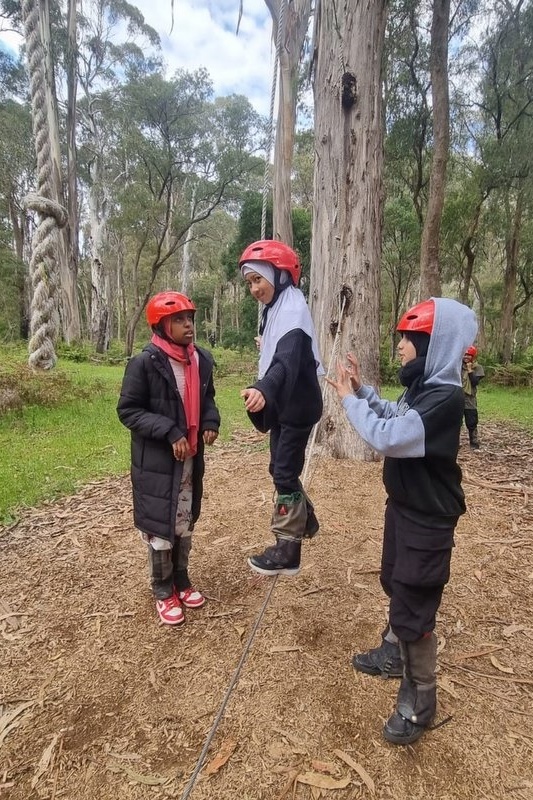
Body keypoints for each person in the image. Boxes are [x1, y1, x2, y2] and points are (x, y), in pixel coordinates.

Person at [326, 297, 478, 746]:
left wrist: (350, 402)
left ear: (433, 344)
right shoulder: (426, 389)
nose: (399, 347)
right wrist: (366, 391)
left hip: (428, 521)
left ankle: (421, 698)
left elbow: (387, 436)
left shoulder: (446, 399)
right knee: (397, 582)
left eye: (407, 339)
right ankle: (394, 654)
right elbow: (396, 413)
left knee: (415, 601)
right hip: (405, 509)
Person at [117, 292, 220, 626]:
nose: (188, 324)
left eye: (190, 318)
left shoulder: (201, 360)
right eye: (178, 320)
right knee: (161, 524)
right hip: (158, 464)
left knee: (184, 519)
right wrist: (170, 430)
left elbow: (208, 400)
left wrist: (209, 422)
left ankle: (182, 579)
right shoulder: (144, 363)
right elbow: (129, 411)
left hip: (189, 459)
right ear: (160, 325)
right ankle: (163, 589)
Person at [239, 239, 324, 577]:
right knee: (279, 469)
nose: (253, 288)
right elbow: (280, 351)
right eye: (249, 282)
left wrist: (264, 388)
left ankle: (288, 550)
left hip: (297, 406)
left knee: (284, 473)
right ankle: (307, 520)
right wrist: (266, 345)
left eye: (258, 279)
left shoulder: (291, 310)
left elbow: (286, 361)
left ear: (281, 275)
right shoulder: (280, 308)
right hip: (289, 405)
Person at [462, 345, 484, 449]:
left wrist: (470, 370)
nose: (466, 357)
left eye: (469, 355)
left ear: (473, 356)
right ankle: (453, 443)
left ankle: (474, 442)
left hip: (469, 398)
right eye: (465, 355)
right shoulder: (458, 366)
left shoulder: (477, 368)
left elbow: (474, 382)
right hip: (457, 396)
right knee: (455, 421)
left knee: (471, 421)